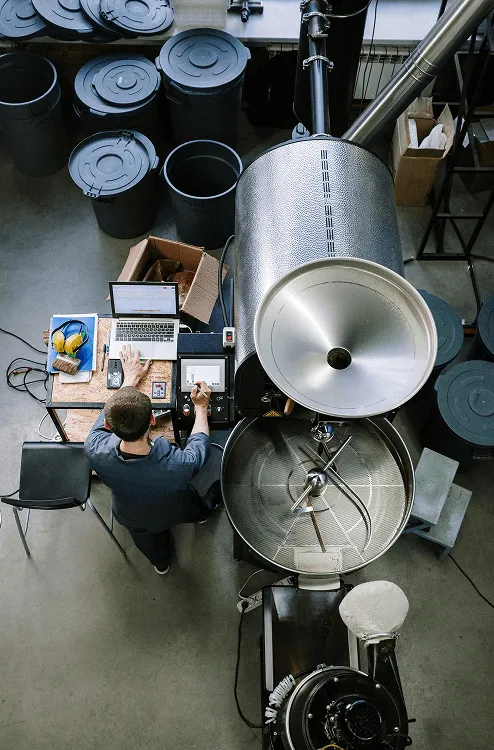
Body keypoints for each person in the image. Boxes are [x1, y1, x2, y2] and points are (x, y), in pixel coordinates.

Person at [84, 345, 222, 576]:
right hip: (175, 508)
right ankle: (204, 514)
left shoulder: (94, 447)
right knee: (196, 508)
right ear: (152, 420)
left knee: (151, 546)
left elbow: (112, 411)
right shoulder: (177, 467)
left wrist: (130, 379)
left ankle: (161, 564)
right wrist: (200, 407)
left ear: (107, 426)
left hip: (132, 515)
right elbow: (199, 446)